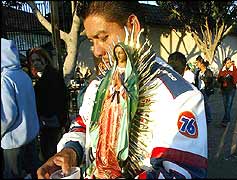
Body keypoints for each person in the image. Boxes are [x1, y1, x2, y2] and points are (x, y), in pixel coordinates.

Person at [37, 1, 208, 179]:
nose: (96, 51)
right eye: (91, 40)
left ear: (132, 26)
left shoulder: (180, 97)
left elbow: (183, 172)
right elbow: (83, 123)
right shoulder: (98, 84)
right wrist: (70, 151)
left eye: (103, 38)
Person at [1, 38, 40, 178]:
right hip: (30, 135)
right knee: (34, 170)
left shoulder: (5, 78)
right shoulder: (23, 75)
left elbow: (8, 115)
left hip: (13, 140)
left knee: (13, 175)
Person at [27, 47, 68, 162]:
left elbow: (57, 100)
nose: (35, 63)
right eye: (33, 61)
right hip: (50, 120)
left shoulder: (51, 76)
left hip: (51, 120)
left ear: (45, 60)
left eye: (38, 60)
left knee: (50, 154)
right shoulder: (44, 76)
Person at [217, 57, 237, 127]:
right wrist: (221, 79)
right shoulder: (222, 70)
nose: (229, 64)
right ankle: (228, 118)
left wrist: (231, 78)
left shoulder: (234, 69)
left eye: (230, 62)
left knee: (229, 105)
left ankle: (225, 120)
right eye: (228, 63)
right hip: (223, 89)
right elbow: (218, 79)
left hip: (231, 89)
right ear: (225, 63)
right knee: (225, 105)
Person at [195, 58, 214, 123]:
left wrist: (204, 78)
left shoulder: (208, 72)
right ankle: (204, 117)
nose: (196, 64)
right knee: (201, 105)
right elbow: (196, 81)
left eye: (197, 63)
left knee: (206, 104)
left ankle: (209, 118)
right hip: (199, 90)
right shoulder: (198, 72)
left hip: (206, 90)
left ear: (201, 63)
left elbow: (210, 80)